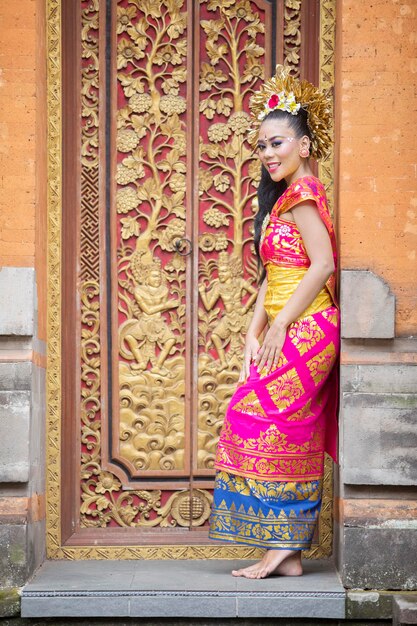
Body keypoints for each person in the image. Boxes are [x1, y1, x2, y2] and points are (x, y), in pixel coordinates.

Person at [208, 65, 340, 579]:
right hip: (286, 322)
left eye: (277, 143)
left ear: (304, 145)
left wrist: (282, 324)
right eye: (261, 146)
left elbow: (324, 264)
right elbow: (274, 274)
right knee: (273, 425)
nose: (267, 154)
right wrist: (252, 332)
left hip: (309, 325)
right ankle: (287, 552)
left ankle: (283, 544)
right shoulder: (281, 199)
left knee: (265, 422)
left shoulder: (305, 196)